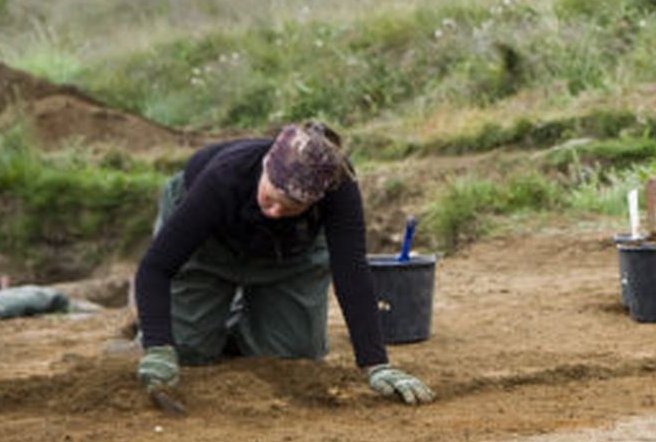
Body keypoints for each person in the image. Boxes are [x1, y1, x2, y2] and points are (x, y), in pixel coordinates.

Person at [134, 122, 434, 405]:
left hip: (289, 252)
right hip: (209, 245)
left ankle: (245, 320)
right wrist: (159, 346)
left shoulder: (339, 185)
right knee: (186, 351)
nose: (275, 212)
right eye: (271, 197)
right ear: (266, 167)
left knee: (293, 356)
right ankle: (193, 320)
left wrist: (377, 365)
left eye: (291, 206)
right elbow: (156, 266)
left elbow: (351, 271)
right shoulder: (225, 175)